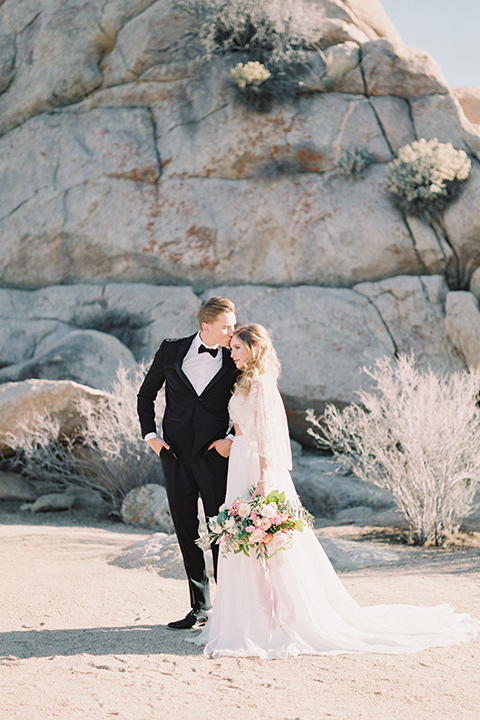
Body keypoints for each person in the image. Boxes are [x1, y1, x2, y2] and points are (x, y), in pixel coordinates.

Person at [190, 324, 480, 658]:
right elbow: (243, 427)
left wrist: (264, 480)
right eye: (231, 349)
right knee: (244, 542)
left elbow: (267, 435)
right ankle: (248, 616)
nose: (232, 354)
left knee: (270, 542)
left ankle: (279, 618)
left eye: (238, 349)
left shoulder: (262, 383)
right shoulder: (242, 381)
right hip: (240, 461)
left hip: (257, 468)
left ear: (254, 348)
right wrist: (230, 442)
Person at [137, 297, 239, 629]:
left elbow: (251, 400)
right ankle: (200, 607)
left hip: (214, 458)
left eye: (233, 325)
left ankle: (228, 608)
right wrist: (150, 437)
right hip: (174, 456)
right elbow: (145, 394)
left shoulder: (235, 358)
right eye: (226, 326)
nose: (232, 331)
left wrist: (231, 440)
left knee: (220, 530)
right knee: (185, 530)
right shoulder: (171, 350)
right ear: (205, 326)